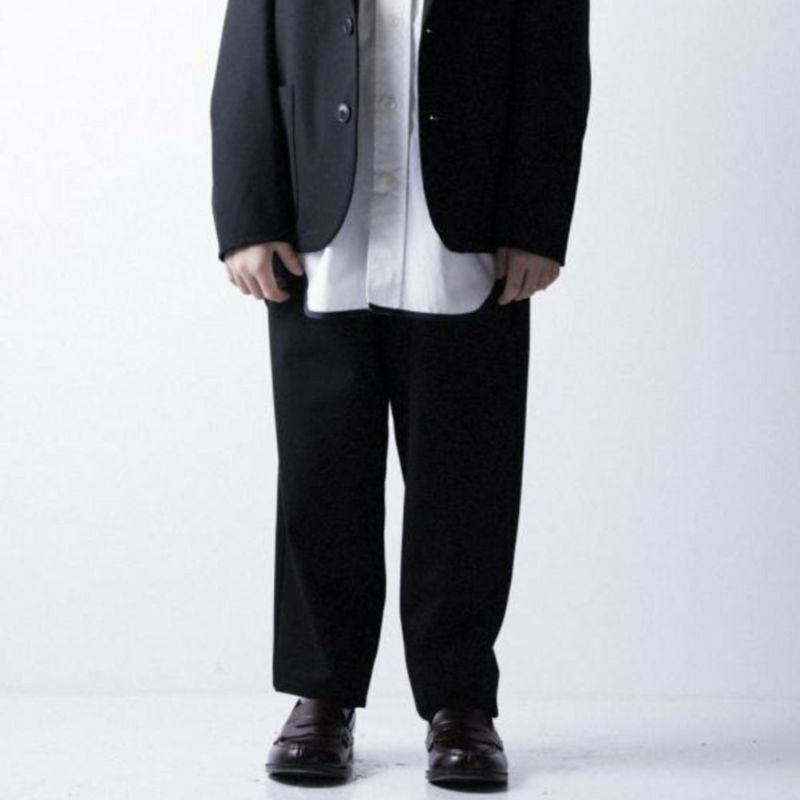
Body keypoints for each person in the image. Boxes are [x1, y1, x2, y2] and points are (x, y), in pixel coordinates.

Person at [210, 0, 590, 786]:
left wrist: (535, 221)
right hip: (319, 238)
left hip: (467, 237)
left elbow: (554, 67)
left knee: (466, 484)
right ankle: (321, 696)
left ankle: (461, 704)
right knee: (319, 478)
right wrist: (248, 216)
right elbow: (246, 57)